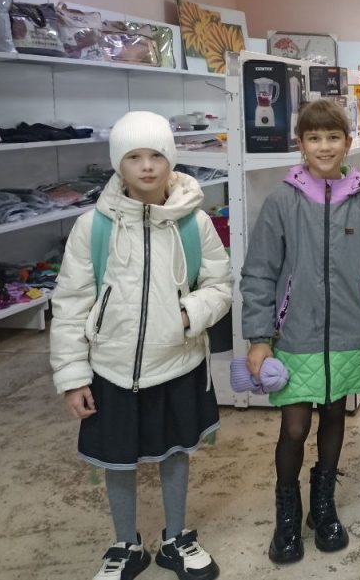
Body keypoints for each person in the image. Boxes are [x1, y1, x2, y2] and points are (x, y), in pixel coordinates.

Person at [50, 110, 232, 580]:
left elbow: (220, 284)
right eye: (134, 157)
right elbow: (70, 303)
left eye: (156, 155)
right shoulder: (94, 227)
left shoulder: (194, 223)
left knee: (175, 452)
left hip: (176, 362)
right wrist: (72, 376)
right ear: (118, 163)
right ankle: (124, 544)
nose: (147, 166)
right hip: (110, 367)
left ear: (171, 159)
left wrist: (188, 314)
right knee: (117, 459)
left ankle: (176, 538)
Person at [241, 100, 360, 564]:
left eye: (332, 137)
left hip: (348, 333)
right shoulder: (282, 201)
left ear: (347, 143)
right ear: (301, 144)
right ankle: (287, 510)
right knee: (295, 425)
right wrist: (259, 337)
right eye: (314, 138)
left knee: (333, 415)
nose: (324, 147)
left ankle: (323, 505)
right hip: (295, 336)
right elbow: (259, 270)